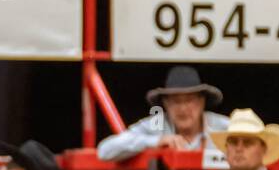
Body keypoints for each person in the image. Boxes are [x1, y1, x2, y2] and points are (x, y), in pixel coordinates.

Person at [98, 66, 230, 162]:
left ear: (202, 102)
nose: (183, 109)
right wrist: (156, 141)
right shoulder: (157, 125)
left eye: (189, 101)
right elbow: (105, 150)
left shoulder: (225, 127)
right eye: (176, 101)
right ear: (165, 104)